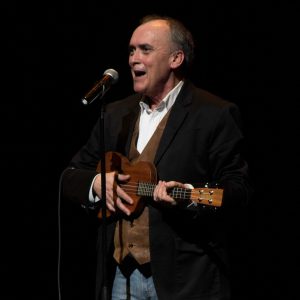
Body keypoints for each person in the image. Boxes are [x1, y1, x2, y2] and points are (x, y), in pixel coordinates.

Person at [61, 14, 253, 300]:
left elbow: (239, 190)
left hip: (184, 280)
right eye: (131, 50)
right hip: (118, 279)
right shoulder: (115, 114)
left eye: (145, 50)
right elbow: (71, 174)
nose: (132, 59)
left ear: (175, 59)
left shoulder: (214, 113)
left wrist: (188, 200)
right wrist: (96, 185)